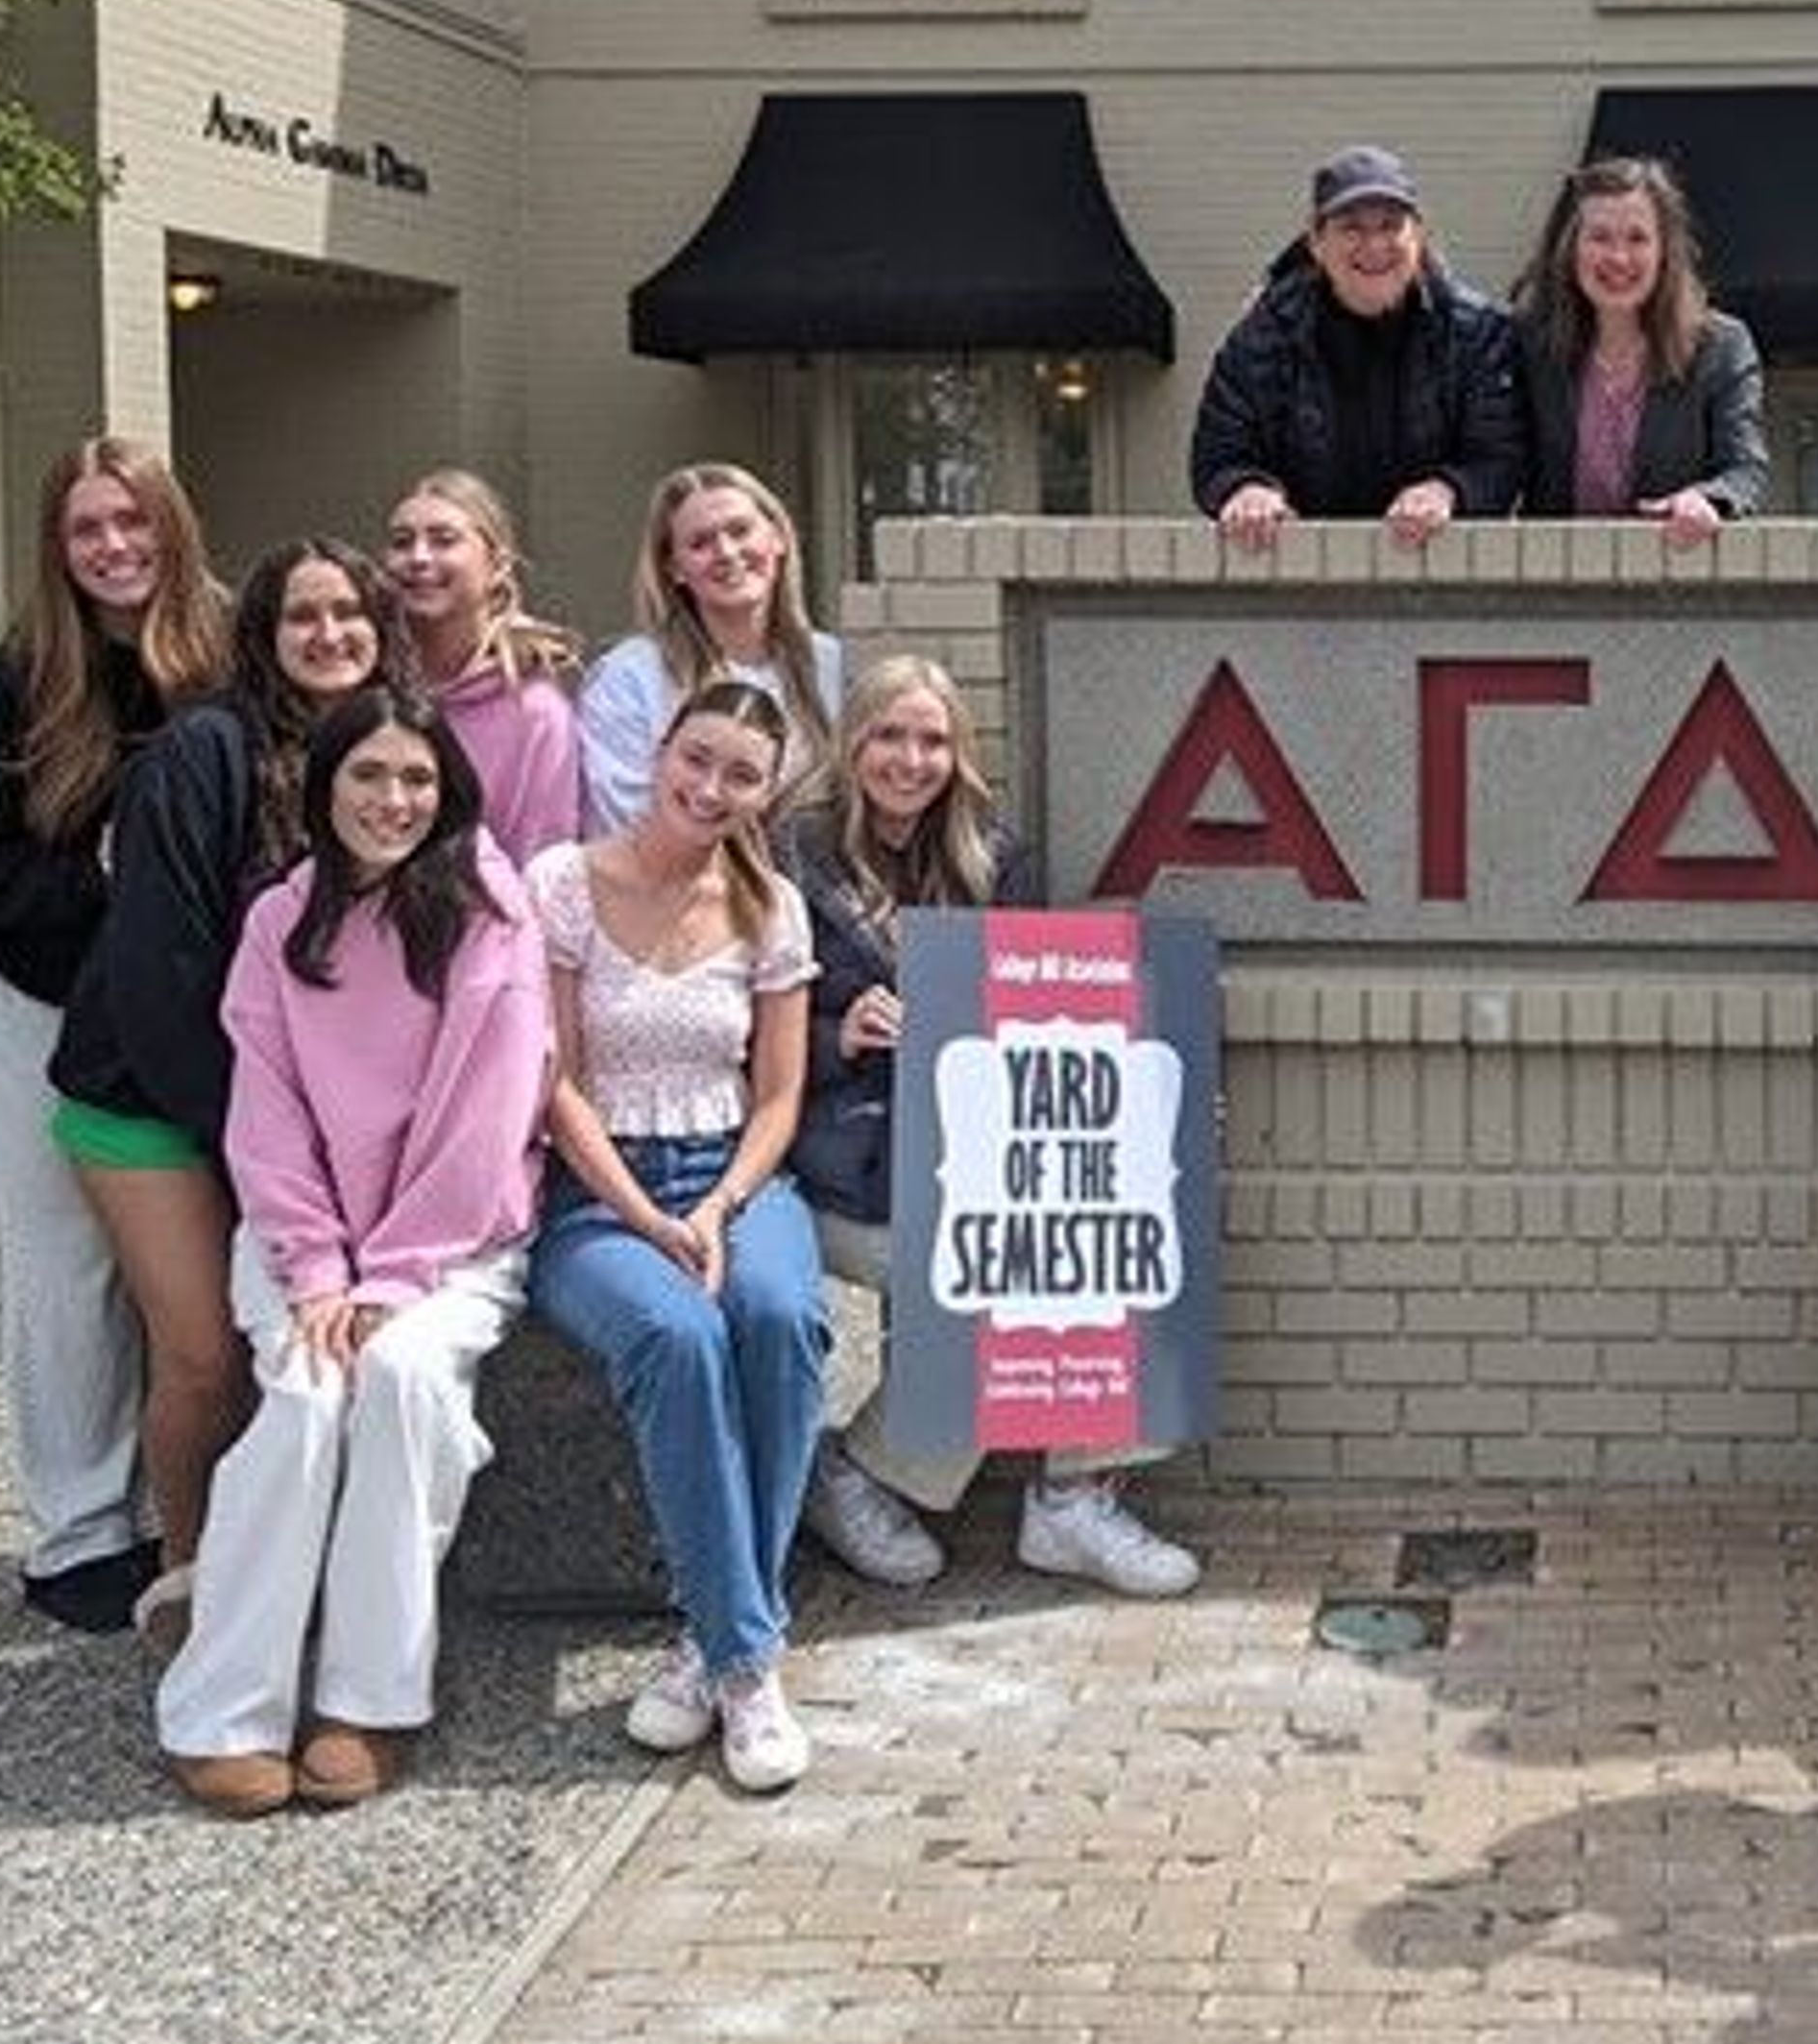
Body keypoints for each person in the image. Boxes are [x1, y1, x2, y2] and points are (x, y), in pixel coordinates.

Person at [157, 691, 552, 1818]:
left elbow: (488, 1114)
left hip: (455, 1240)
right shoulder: (281, 922)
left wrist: (392, 1276)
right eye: (369, 777)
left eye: (418, 780)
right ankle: (221, 1709)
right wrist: (324, 1272)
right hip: (301, 1240)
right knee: (303, 1398)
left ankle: (368, 1700)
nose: (395, 801)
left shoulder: (489, 910)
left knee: (405, 1379)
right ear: (325, 789)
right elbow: (266, 1117)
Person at [47, 537, 407, 1649]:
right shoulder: (202, 753)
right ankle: (190, 1574)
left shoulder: (381, 753)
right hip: (154, 1102)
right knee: (202, 1355)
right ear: (261, 632)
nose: (330, 634)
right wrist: (251, 1146)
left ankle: (279, 1561)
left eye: (350, 612)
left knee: (283, 1349)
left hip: (285, 1118)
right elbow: (158, 972)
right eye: (303, 615)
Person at [781, 657, 1203, 1599]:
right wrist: (834, 1035)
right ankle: (856, 1473)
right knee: (982, 1276)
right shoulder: (791, 856)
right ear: (853, 744)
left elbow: (1028, 1005)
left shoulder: (993, 854)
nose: (910, 759)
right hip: (838, 1165)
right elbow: (732, 1017)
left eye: (932, 740)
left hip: (964, 1152)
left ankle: (1074, 1495)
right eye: (890, 735)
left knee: (1107, 1235)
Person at [0, 437, 230, 1633]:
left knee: (193, 1269)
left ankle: (181, 1509)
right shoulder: (13, 682)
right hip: (47, 1006)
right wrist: (99, 896)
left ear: (174, 527)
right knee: (67, 1264)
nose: (114, 547)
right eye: (89, 528)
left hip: (199, 1018)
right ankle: (82, 1529)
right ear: (58, 545)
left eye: (133, 522)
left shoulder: (225, 656)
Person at [527, 679, 830, 1795]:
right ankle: (751, 1662)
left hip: (735, 1180)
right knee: (677, 1338)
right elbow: (554, 1085)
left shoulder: (771, 908)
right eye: (696, 760)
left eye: (742, 775)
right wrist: (647, 1216)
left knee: (783, 1318)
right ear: (660, 752)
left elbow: (780, 1098)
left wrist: (714, 1209)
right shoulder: (559, 884)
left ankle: (709, 1642)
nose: (711, 788)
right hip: (595, 1197)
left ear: (766, 794)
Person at [1189, 144, 1526, 549]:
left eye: (1390, 226)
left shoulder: (1479, 335)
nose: (1374, 245)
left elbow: (1503, 459)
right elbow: (1217, 458)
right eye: (1351, 227)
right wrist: (1246, 489)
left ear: (1418, 236)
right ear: (1316, 241)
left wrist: (1447, 490)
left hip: (1439, 580)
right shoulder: (1260, 338)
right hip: (1303, 584)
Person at [1510, 155, 1770, 543]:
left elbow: (1746, 470)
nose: (1619, 258)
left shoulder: (1721, 347)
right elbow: (1494, 459)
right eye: (1599, 237)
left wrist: (1707, 499)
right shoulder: (1526, 340)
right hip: (1559, 586)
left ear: (1665, 251)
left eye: (1637, 238)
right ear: (1569, 248)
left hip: (1674, 579)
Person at [579, 464, 843, 835]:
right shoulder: (628, 679)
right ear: (674, 568)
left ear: (778, 537)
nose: (726, 552)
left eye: (740, 530)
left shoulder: (834, 663)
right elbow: (628, 827)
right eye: (700, 543)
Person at [387, 469, 583, 863]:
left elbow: (540, 869)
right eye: (402, 542)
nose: (418, 557)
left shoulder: (535, 713)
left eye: (444, 540)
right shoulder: (367, 688)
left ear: (497, 565)